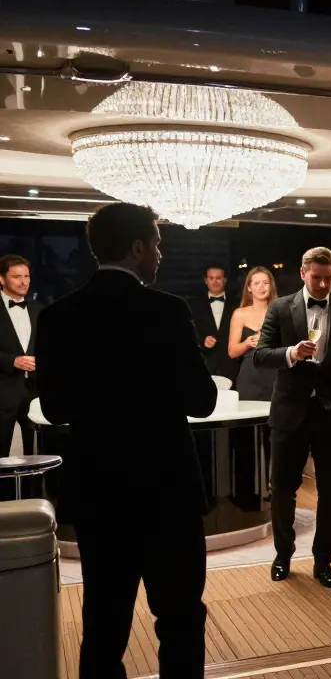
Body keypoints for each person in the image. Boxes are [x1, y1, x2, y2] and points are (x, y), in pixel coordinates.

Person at [36, 203, 217, 678]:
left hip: (100, 493)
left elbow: (55, 409)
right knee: (179, 621)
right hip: (168, 491)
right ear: (137, 248)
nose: (159, 253)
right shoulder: (169, 310)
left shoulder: (58, 316)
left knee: (102, 627)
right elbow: (202, 401)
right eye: (157, 243)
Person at [253, 247, 331, 589]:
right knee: (284, 489)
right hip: (289, 413)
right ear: (303, 274)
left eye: (329, 278)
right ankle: (283, 555)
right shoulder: (279, 307)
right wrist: (291, 353)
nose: (322, 285)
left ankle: (324, 563)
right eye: (316, 277)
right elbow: (260, 356)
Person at [0, 255, 42, 500]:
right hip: (2, 391)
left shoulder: (38, 309)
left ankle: (32, 501)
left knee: (34, 454)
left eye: (26, 276)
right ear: (2, 279)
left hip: (33, 393)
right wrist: (11, 361)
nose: (24, 281)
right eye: (17, 276)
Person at [227, 266, 279, 402]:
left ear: (271, 286)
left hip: (276, 375)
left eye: (265, 283)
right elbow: (232, 352)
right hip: (250, 376)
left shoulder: (280, 312)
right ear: (249, 287)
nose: (261, 287)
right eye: (256, 283)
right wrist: (247, 343)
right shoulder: (240, 314)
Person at [189, 264, 238, 385]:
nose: (215, 281)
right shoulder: (193, 304)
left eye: (218, 278)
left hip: (232, 366)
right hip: (205, 364)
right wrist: (202, 341)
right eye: (211, 278)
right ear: (206, 280)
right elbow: (188, 333)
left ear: (225, 280)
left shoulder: (237, 303)